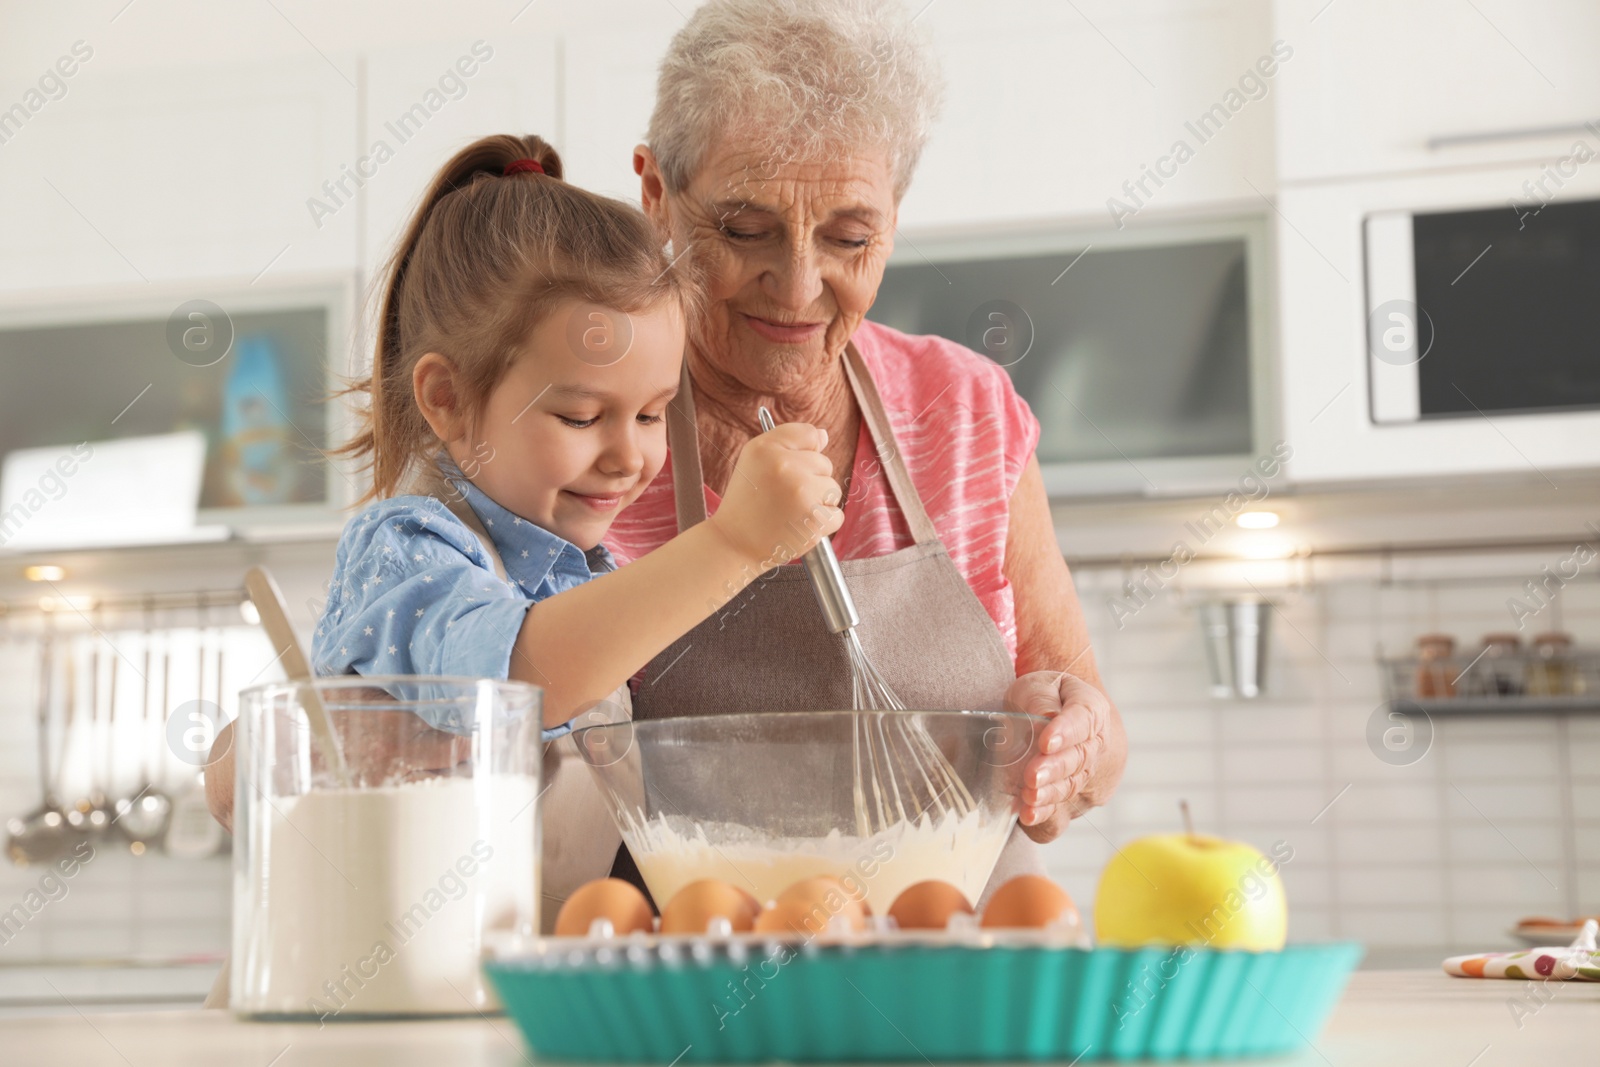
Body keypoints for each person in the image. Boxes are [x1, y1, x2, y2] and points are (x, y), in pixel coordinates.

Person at [205, 133, 842, 920]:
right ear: (445, 399)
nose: (629, 456)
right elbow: (514, 679)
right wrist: (734, 541)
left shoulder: (579, 575)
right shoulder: (407, 551)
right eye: (581, 415)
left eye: (650, 414)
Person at [593, 0, 1128, 905]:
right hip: (700, 996)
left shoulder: (965, 412)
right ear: (655, 194)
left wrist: (1074, 743)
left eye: (848, 236)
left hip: (953, 981)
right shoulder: (592, 436)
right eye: (744, 229)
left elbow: (1087, 725)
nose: (799, 285)